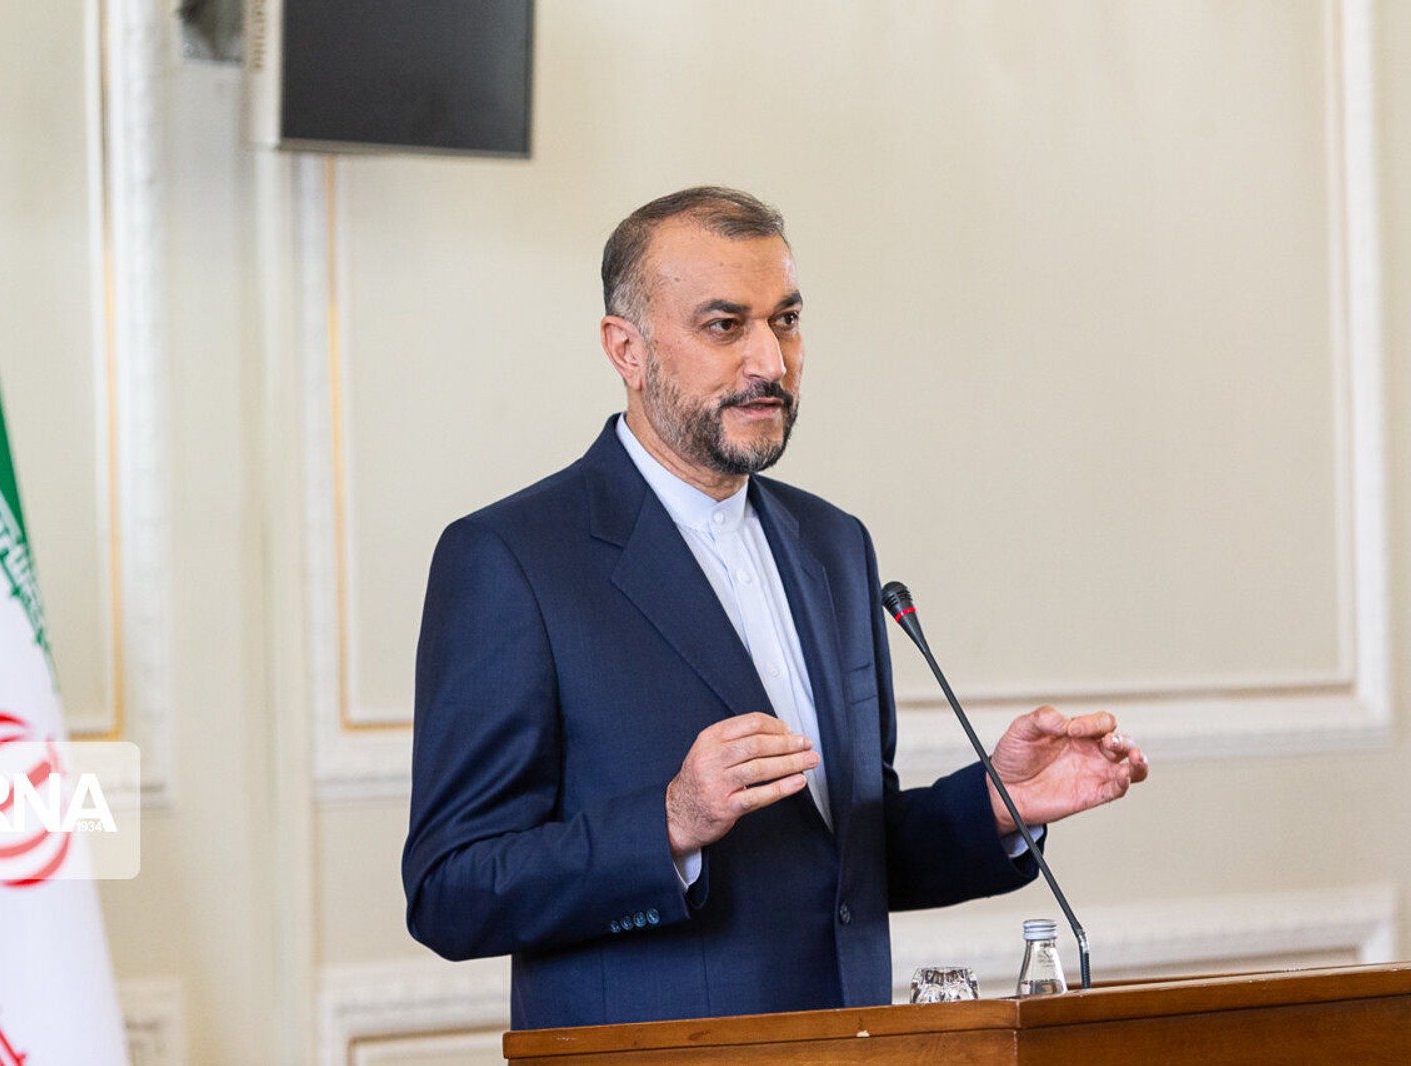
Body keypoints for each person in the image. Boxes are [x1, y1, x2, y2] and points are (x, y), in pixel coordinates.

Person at [401, 187, 1148, 1031]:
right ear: (627, 350)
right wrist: (669, 823)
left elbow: (842, 859)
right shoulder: (511, 559)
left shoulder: (834, 544)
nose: (771, 362)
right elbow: (450, 891)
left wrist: (996, 805)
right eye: (725, 326)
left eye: (786, 321)